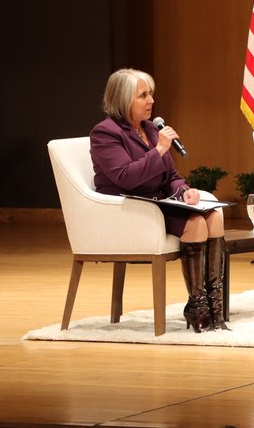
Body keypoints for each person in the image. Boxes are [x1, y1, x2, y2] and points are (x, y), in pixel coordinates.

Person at [89, 68, 225, 333]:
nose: (151, 100)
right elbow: (125, 177)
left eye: (150, 94)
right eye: (143, 95)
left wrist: (184, 190)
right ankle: (198, 306)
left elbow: (171, 176)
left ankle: (213, 305)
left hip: (156, 204)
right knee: (195, 223)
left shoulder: (150, 129)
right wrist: (160, 149)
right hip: (129, 209)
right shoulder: (105, 133)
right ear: (123, 99)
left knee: (214, 215)